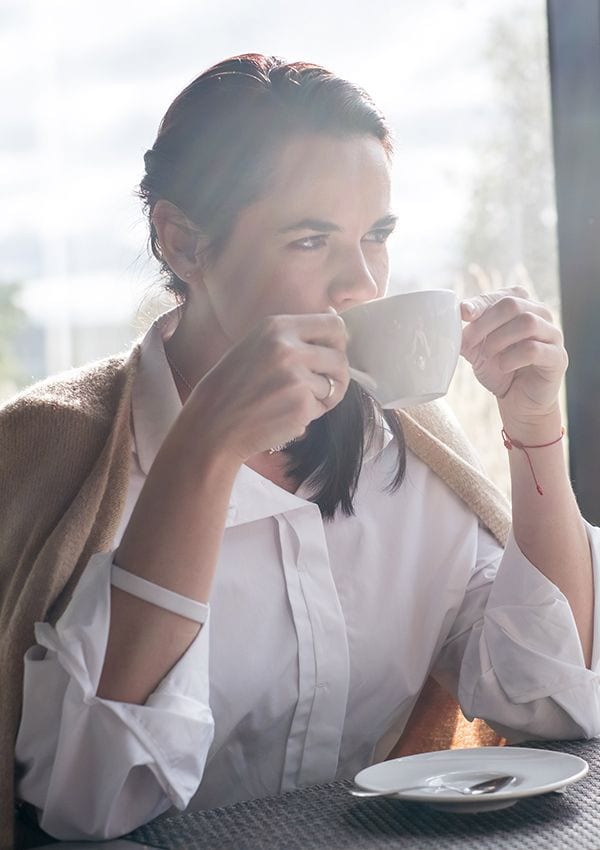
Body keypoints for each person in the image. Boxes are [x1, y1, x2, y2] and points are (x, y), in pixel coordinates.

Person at [2, 53, 599, 845]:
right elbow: (88, 800)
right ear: (183, 242)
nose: (360, 284)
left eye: (376, 236)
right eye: (311, 239)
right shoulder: (54, 452)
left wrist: (535, 430)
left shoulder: (406, 450)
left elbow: (549, 702)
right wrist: (205, 449)